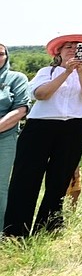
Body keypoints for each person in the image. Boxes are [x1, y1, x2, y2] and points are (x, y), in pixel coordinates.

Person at [4, 34, 82, 236]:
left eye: (77, 47)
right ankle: (14, 231)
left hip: (74, 127)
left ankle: (47, 228)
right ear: (58, 52)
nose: (72, 49)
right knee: (25, 177)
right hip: (40, 126)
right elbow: (41, 94)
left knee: (59, 179)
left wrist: (80, 72)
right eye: (67, 46)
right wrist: (66, 73)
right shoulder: (46, 71)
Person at [0, 43, 32, 225]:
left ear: (6, 56)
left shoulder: (16, 78)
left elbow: (20, 110)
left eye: (0, 54)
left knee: (0, 188)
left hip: (5, 138)